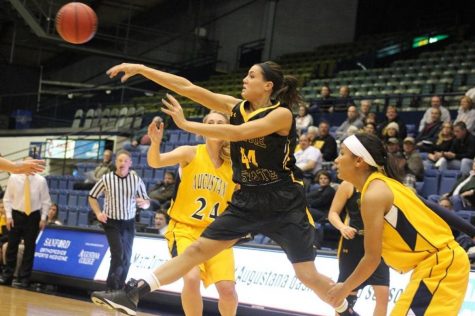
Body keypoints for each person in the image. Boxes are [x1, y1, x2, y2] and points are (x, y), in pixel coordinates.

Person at [91, 61, 357, 316]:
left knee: (306, 275)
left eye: (252, 76)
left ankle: (346, 308)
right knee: (196, 252)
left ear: (268, 86)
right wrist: (142, 70)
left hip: (283, 202)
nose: (244, 79)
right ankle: (133, 293)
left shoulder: (281, 114)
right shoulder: (236, 108)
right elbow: (188, 88)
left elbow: (240, 133)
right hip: (249, 198)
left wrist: (185, 124)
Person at [328, 132, 473, 314]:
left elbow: (372, 258)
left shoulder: (374, 195)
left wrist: (343, 289)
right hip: (437, 265)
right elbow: (432, 207)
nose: (336, 160)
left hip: (441, 265)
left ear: (359, 161)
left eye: (342, 153)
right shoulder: (387, 185)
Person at [146, 111, 238, 316]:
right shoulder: (191, 153)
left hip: (217, 234)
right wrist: (155, 143)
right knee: (191, 278)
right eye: (210, 122)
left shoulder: (235, 166)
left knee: (228, 290)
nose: (214, 126)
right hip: (185, 230)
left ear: (227, 129)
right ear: (202, 128)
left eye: (220, 123)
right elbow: (155, 162)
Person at [88, 150, 150, 291]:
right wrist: (98, 213)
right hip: (111, 222)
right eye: (120, 160)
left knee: (127, 258)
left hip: (128, 223)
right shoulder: (107, 179)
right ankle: (111, 288)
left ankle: (120, 289)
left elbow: (146, 202)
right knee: (118, 253)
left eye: (125, 161)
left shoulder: (136, 180)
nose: (122, 163)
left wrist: (144, 203)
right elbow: (92, 196)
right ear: (116, 163)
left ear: (130, 163)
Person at [328, 181, 389, 316]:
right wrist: (342, 227)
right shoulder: (348, 185)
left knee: (383, 295)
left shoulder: (382, 183)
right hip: (353, 242)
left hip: (378, 243)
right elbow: (332, 213)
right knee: (345, 295)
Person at [0, 157, 51, 289]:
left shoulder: (41, 180)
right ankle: (7, 276)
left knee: (29, 248)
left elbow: (46, 201)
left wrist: (43, 218)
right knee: (12, 246)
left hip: (33, 216)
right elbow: (7, 199)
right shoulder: (13, 177)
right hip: (16, 215)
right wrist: (9, 216)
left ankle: (24, 279)